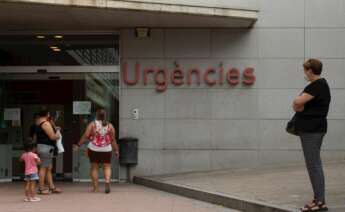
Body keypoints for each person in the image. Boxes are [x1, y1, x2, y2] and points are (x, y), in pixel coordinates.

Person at [293, 59, 331, 212]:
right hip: (313, 129)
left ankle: (320, 202)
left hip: (312, 130)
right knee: (314, 164)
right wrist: (298, 105)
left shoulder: (317, 85)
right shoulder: (319, 85)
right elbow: (297, 105)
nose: (304, 73)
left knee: (313, 165)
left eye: (305, 70)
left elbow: (297, 102)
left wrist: (298, 103)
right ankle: (318, 200)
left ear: (310, 70)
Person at [74, 108, 119, 194]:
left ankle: (96, 188)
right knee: (107, 167)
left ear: (96, 115)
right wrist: (116, 150)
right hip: (107, 149)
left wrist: (78, 144)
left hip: (94, 148)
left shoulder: (92, 124)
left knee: (94, 167)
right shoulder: (110, 126)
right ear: (105, 116)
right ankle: (107, 181)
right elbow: (113, 140)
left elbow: (86, 135)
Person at [32, 108, 63, 195]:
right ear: (47, 114)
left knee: (48, 168)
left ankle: (52, 187)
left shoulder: (37, 123)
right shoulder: (45, 123)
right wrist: (57, 130)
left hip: (42, 147)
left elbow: (35, 137)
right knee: (43, 168)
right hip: (46, 148)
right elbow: (53, 137)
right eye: (49, 114)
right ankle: (41, 189)